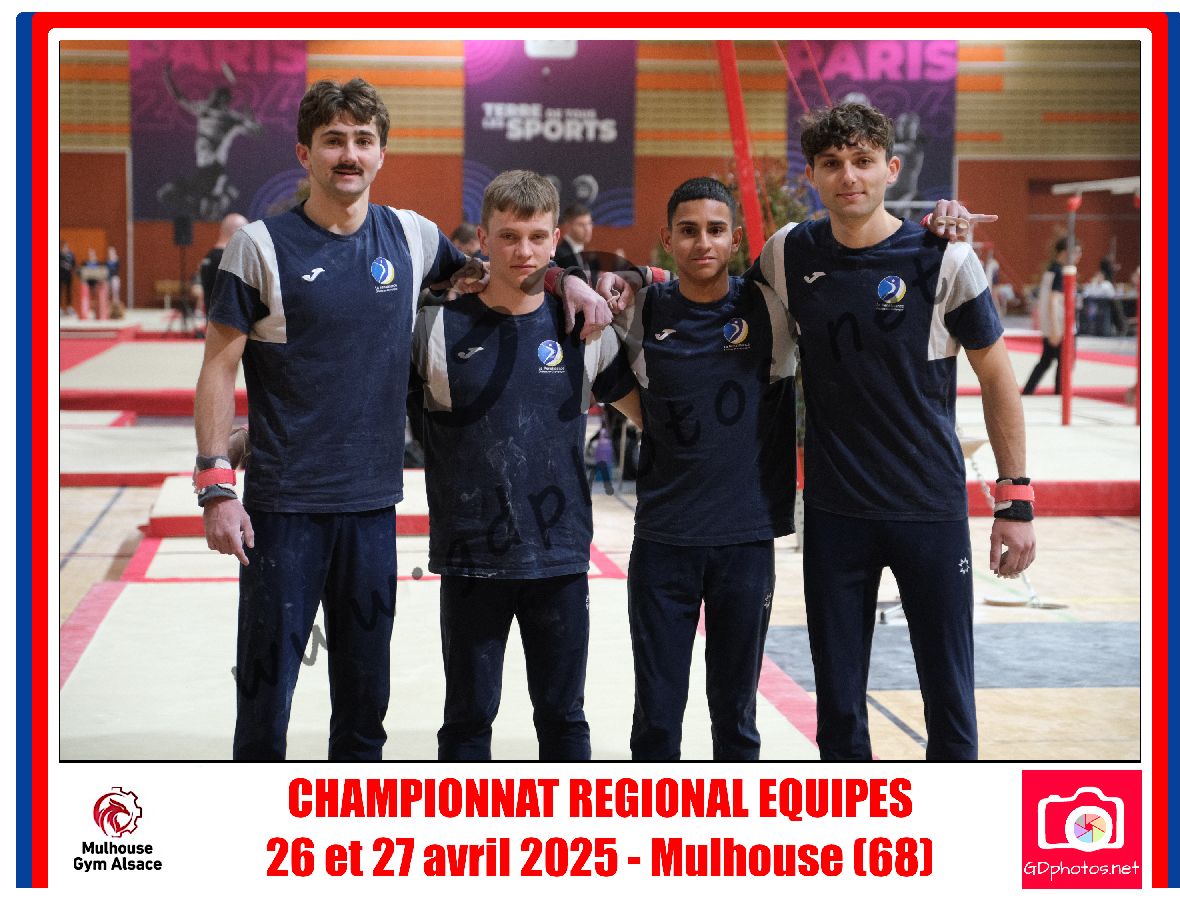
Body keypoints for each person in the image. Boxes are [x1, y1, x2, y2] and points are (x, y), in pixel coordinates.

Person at [195, 79, 611, 761]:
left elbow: (499, 270)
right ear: (304, 152)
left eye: (363, 140)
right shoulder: (260, 247)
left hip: (371, 508)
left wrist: (566, 277)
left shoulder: (413, 236)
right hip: (284, 507)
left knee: (366, 708)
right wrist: (216, 484)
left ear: (382, 153)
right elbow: (218, 367)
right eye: (333, 140)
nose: (349, 154)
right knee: (266, 702)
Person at [747, 102, 1035, 760]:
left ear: (892, 169)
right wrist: (627, 282)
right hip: (834, 514)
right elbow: (719, 305)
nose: (848, 175)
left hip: (928, 509)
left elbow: (999, 379)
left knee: (950, 704)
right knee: (839, 712)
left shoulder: (944, 257)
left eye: (863, 161)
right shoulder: (787, 253)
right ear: (811, 176)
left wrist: (1015, 499)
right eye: (831, 163)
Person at [409, 170, 639, 761]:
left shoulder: (585, 331)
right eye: (509, 236)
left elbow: (655, 421)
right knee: (466, 720)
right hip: (470, 559)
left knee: (564, 720)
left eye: (538, 237)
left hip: (559, 557)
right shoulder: (434, 328)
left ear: (556, 239)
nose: (524, 251)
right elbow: (364, 403)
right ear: (482, 238)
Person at [610, 177, 798, 761]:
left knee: (735, 716)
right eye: (688, 231)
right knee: (656, 717)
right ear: (667, 239)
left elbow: (834, 249)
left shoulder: (769, 307)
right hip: (664, 540)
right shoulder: (643, 310)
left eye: (716, 230)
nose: (702, 243)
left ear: (736, 239)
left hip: (745, 540)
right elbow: (609, 374)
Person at [159, 61, 264, 220]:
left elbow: (257, 131)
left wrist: (249, 116)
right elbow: (179, 98)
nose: (210, 98)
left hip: (214, 168)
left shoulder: (231, 118)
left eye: (214, 96)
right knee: (168, 194)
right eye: (211, 96)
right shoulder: (203, 109)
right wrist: (167, 77)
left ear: (222, 100)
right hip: (203, 168)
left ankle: (224, 193)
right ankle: (223, 193)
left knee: (204, 207)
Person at [1023, 237, 1079, 394]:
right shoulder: (1060, 272)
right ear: (1065, 252)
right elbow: (1053, 301)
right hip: (1060, 325)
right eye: (1076, 252)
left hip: (1053, 324)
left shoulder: (1051, 270)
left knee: (1046, 360)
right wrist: (1055, 328)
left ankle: (1029, 390)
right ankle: (1060, 392)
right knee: (1065, 362)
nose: (1079, 256)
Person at [552, 202, 593, 273]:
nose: (587, 229)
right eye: (581, 225)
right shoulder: (560, 255)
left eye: (589, 223)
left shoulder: (588, 256)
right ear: (568, 226)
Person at [60, 241, 75, 314]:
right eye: (64, 247)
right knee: (59, 292)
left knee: (68, 292)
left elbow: (73, 264)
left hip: (68, 276)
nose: (65, 248)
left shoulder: (70, 255)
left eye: (66, 247)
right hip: (60, 276)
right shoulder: (59, 255)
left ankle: (69, 307)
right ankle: (59, 308)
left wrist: (70, 266)